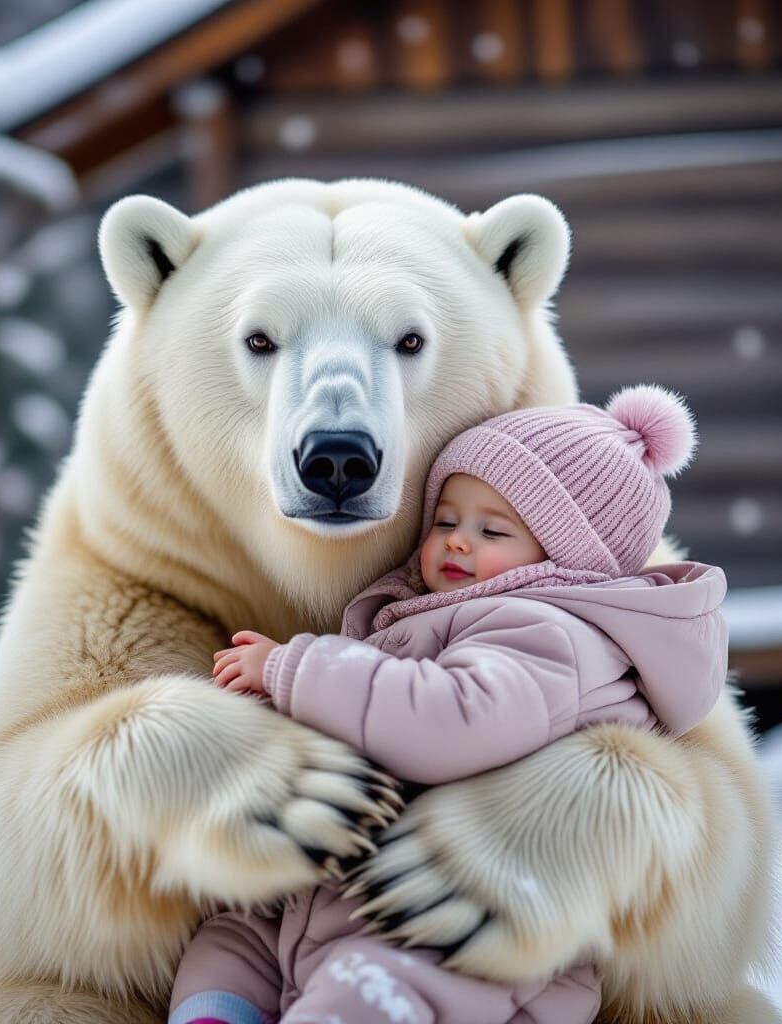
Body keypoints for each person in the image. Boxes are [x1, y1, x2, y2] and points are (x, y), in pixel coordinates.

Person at [169, 384, 728, 1024]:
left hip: (464, 934)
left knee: (368, 987)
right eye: (445, 520)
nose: (458, 541)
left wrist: (299, 667)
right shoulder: (432, 616)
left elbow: (449, 721)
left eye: (492, 529)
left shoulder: (550, 636)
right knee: (232, 938)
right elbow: (369, 721)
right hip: (351, 901)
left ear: (570, 562)